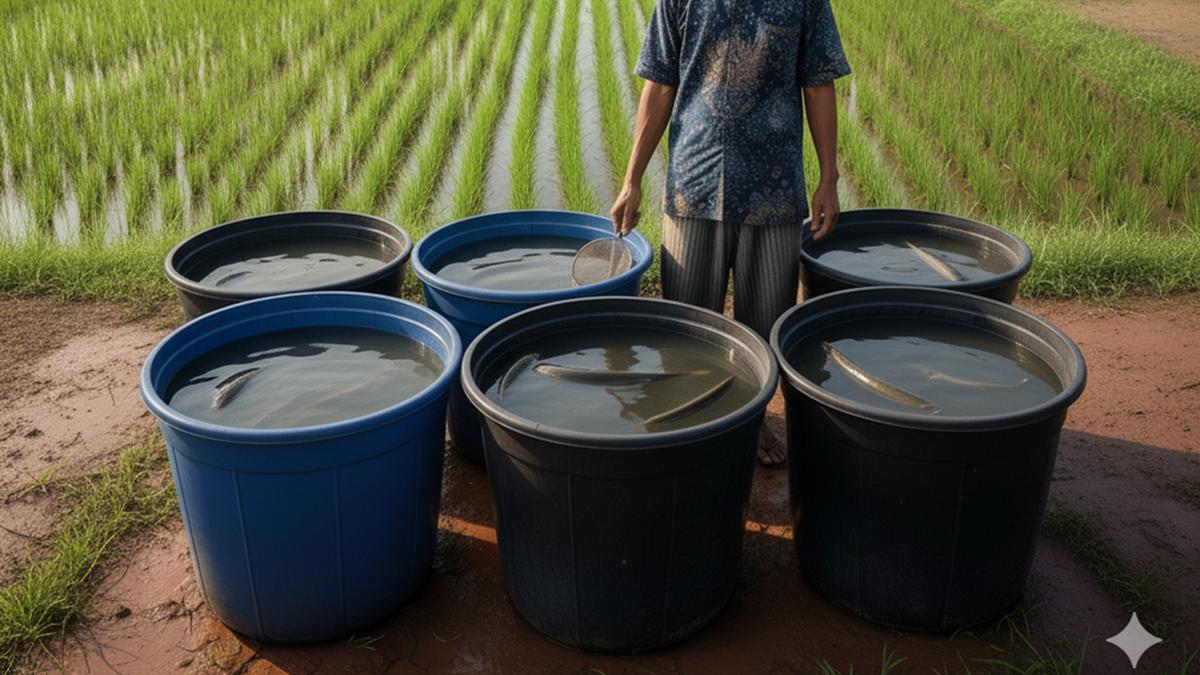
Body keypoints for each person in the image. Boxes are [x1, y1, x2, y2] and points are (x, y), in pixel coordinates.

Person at [611, 0, 851, 466]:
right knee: (687, 325)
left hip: (773, 187)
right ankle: (691, 420)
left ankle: (754, 421)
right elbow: (659, 84)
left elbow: (819, 84)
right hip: (693, 184)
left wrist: (829, 177)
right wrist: (632, 179)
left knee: (765, 322)